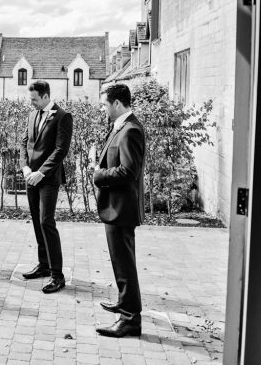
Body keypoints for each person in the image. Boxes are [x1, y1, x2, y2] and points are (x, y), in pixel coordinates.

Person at [92, 83, 146, 338]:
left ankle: (130, 321)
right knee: (122, 263)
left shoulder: (131, 130)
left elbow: (129, 171)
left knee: (125, 266)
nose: (103, 108)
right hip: (116, 207)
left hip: (121, 209)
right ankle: (125, 305)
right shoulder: (121, 126)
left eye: (104, 104)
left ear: (116, 103)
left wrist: (98, 174)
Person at [20, 80, 73, 294]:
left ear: (45, 96)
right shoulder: (32, 115)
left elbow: (61, 150)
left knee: (46, 222)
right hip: (30, 177)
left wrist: (41, 172)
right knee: (36, 221)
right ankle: (43, 265)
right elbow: (24, 143)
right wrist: (25, 168)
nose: (31, 103)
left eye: (34, 99)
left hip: (48, 179)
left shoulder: (63, 116)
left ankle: (57, 276)